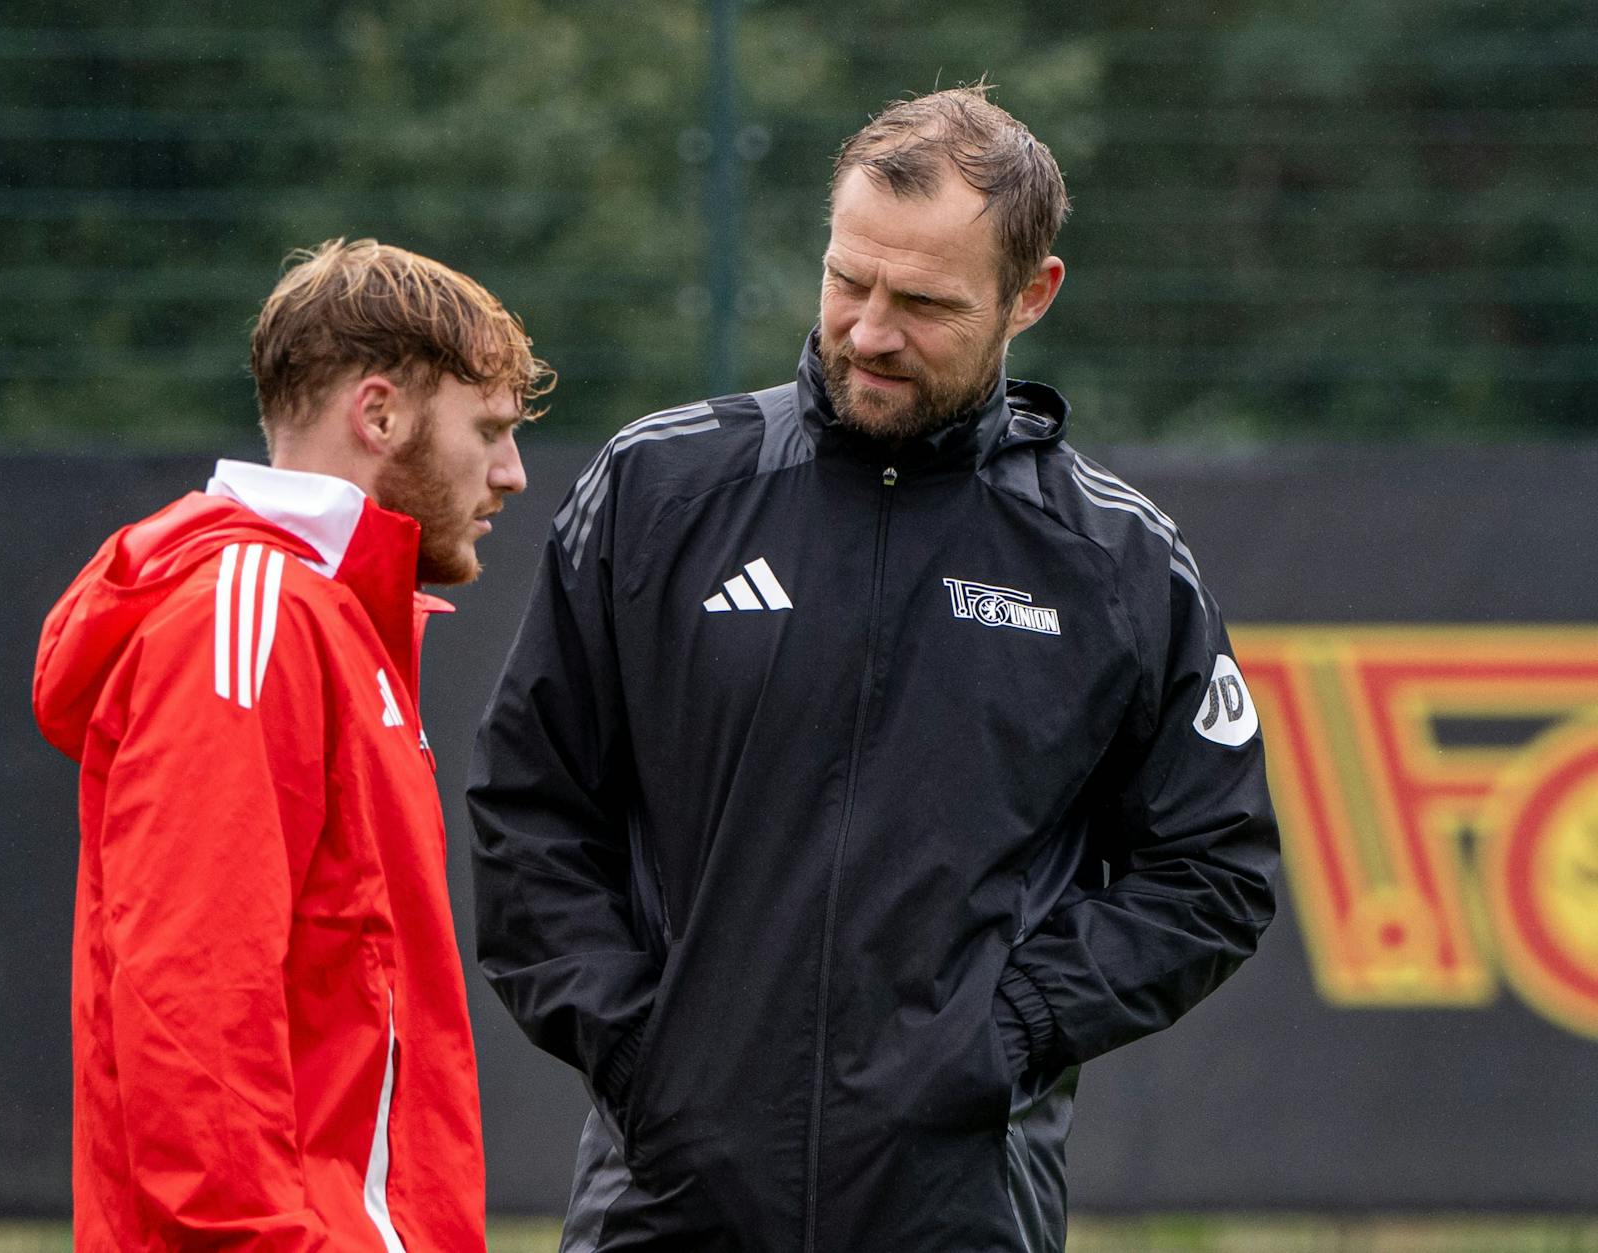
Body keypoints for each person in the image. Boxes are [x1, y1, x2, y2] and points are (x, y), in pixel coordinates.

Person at [468, 85, 1279, 1252]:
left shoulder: (1113, 561)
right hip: (665, 1203)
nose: (866, 331)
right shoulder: (659, 493)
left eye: (923, 303)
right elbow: (529, 806)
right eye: (848, 281)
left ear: (1028, 296)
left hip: (958, 1211)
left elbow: (1212, 866)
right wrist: (646, 1052)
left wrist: (998, 1037)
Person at [33, 238, 550, 1251]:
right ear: (379, 414)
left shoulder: (328, 621)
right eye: (486, 429)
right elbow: (193, 995)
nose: (512, 473)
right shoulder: (252, 611)